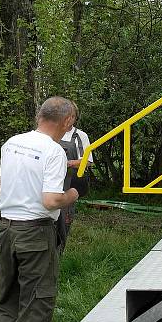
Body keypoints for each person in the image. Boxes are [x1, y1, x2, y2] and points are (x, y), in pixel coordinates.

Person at [0, 97, 80, 322]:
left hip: (5, 229)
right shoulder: (52, 151)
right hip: (35, 234)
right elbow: (51, 200)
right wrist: (73, 194)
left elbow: (15, 179)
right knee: (35, 305)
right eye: (72, 121)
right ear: (66, 122)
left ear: (40, 116)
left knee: (5, 299)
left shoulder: (12, 143)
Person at [57, 102, 93, 253]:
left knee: (64, 221)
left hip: (70, 183)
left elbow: (88, 162)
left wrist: (69, 163)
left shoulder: (80, 136)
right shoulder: (52, 132)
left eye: (72, 116)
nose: (69, 119)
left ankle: (59, 254)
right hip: (51, 184)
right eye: (67, 115)